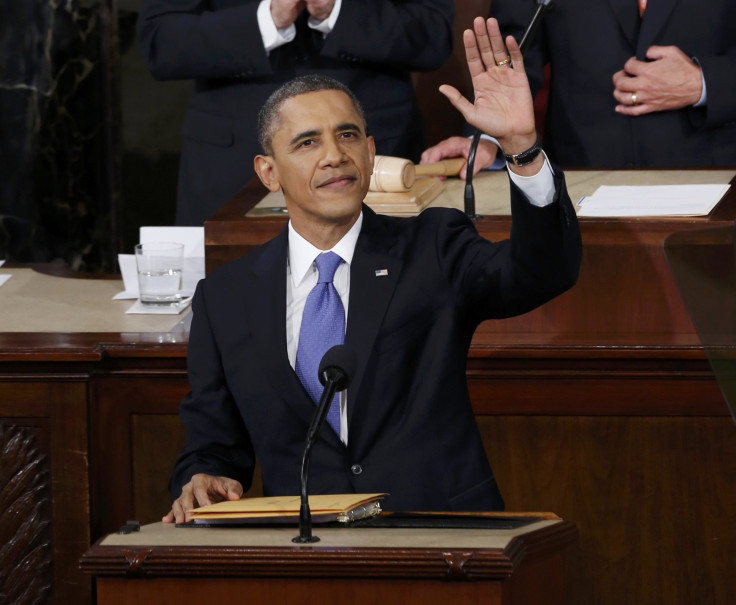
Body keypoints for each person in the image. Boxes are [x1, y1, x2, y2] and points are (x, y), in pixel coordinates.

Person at [164, 17, 582, 523]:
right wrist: (201, 475)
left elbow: (542, 271)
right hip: (308, 553)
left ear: (370, 150)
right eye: (307, 143)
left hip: (442, 538)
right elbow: (213, 442)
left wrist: (522, 148)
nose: (335, 156)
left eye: (347, 135)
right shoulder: (225, 298)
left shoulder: (433, 246)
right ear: (267, 172)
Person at [136, 0, 454, 226]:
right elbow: (161, 41)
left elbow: (434, 33)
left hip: (377, 158)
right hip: (232, 168)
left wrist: (337, 11)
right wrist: (268, 18)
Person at [421, 0, 736, 174]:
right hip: (581, 182)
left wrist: (704, 81)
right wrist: (489, 139)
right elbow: (516, 53)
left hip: (718, 179)